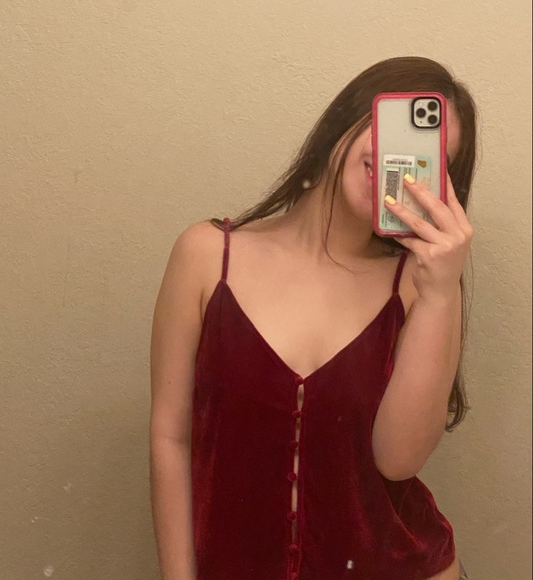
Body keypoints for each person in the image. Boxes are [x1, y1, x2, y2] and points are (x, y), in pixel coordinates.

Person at [149, 56, 476, 580]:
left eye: (427, 155)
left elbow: (398, 461)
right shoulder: (206, 256)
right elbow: (171, 438)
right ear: (348, 116)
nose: (395, 158)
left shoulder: (419, 287)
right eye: (394, 127)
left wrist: (441, 295)